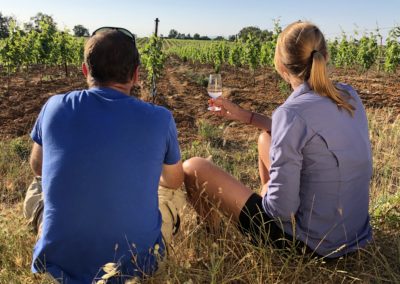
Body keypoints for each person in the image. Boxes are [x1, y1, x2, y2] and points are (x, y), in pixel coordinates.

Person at [183, 21, 373, 258]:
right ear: (326, 56)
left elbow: (282, 209)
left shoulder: (291, 113)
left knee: (194, 167)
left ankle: (214, 239)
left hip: (314, 247)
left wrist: (266, 191)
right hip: (354, 234)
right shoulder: (349, 94)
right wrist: (245, 116)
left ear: (282, 68)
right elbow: (304, 131)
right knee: (266, 139)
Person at [24, 27, 185, 283]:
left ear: (85, 70)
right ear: (136, 74)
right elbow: (175, 181)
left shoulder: (54, 106)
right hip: (137, 267)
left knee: (37, 185)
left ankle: (47, 228)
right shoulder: (160, 118)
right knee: (171, 188)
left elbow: (38, 167)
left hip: (57, 266)